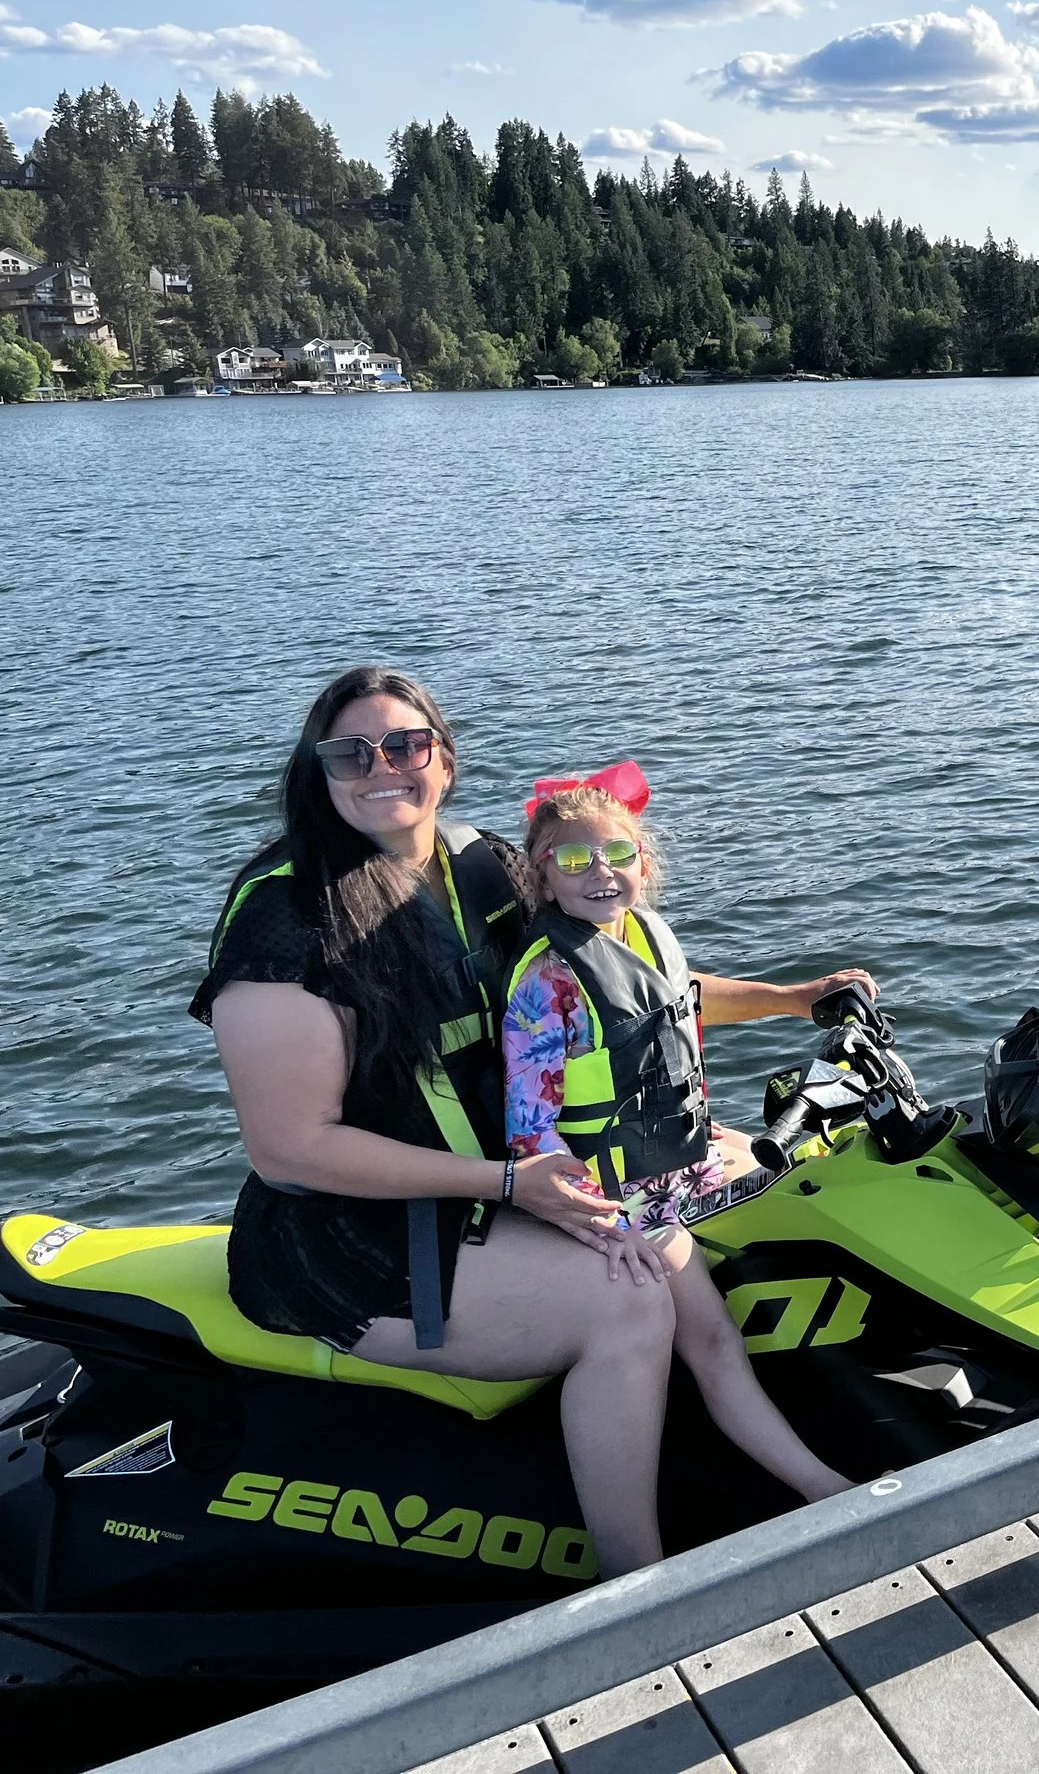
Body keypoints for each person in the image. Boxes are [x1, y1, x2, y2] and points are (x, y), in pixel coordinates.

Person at [198, 667, 690, 1576]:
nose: (382, 766)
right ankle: (639, 1585)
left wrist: (789, 1001)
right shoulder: (285, 925)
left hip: (501, 1178)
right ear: (319, 772)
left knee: (722, 1212)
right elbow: (291, 1147)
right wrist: (509, 1183)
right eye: (352, 751)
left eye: (406, 744)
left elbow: (599, 994)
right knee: (629, 1305)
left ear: (445, 760)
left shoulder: (482, 865)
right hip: (351, 1235)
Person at [503, 761, 871, 1508]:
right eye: (573, 859)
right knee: (711, 1340)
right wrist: (607, 1225)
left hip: (684, 1160)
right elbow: (529, 1131)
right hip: (616, 1196)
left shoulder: (643, 933)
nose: (599, 872)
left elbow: (683, 997)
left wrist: (798, 999)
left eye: (618, 854)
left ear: (645, 862)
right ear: (542, 880)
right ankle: (823, 1487)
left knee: (825, 1181)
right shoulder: (548, 985)